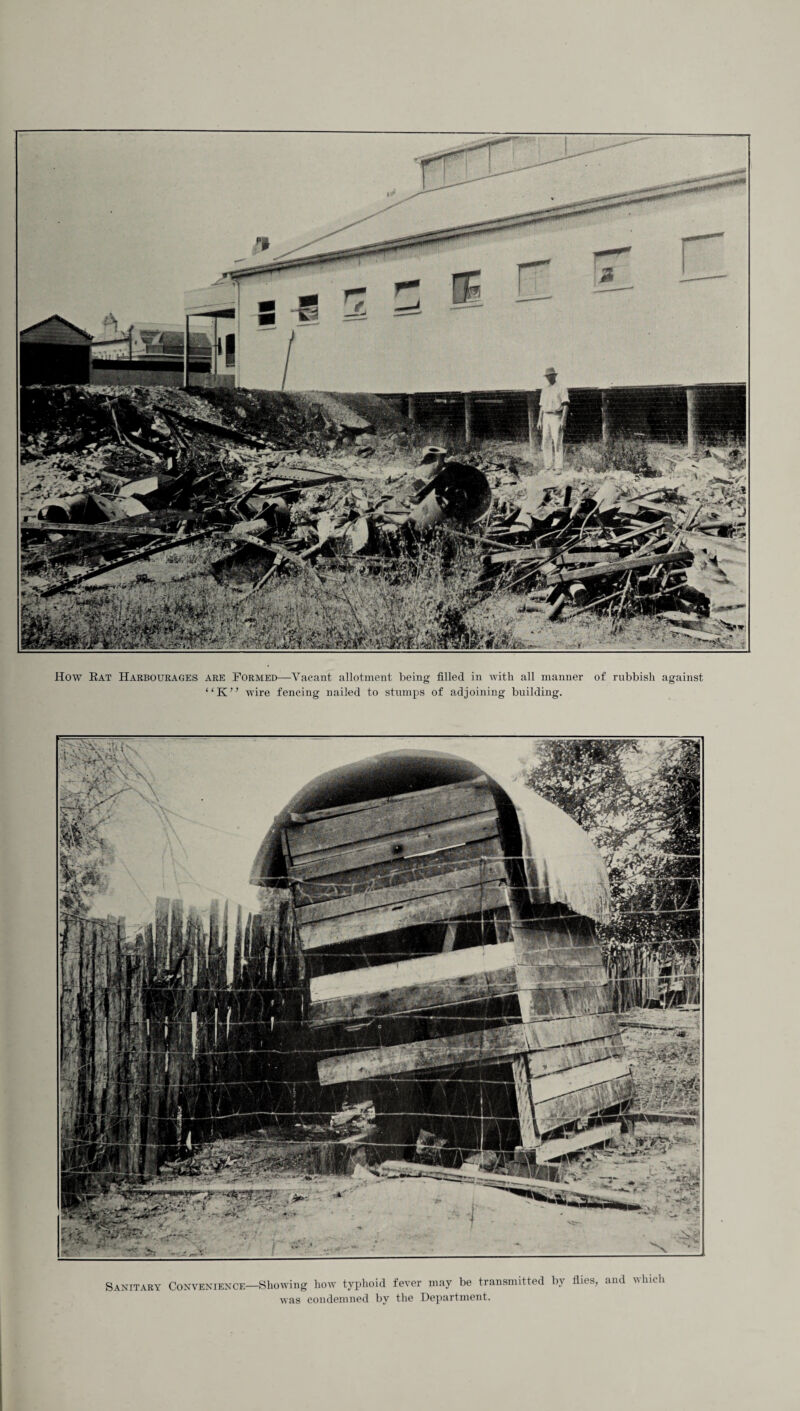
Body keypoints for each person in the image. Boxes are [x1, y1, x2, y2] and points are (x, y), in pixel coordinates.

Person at [537, 366, 569, 472]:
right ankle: (548, 466)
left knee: (557, 441)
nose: (549, 378)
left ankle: (558, 467)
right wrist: (539, 420)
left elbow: (565, 404)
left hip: (556, 416)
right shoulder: (545, 389)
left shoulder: (561, 387)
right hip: (546, 416)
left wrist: (563, 420)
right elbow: (542, 406)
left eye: (551, 375)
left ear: (555, 376)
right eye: (547, 376)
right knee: (545, 441)